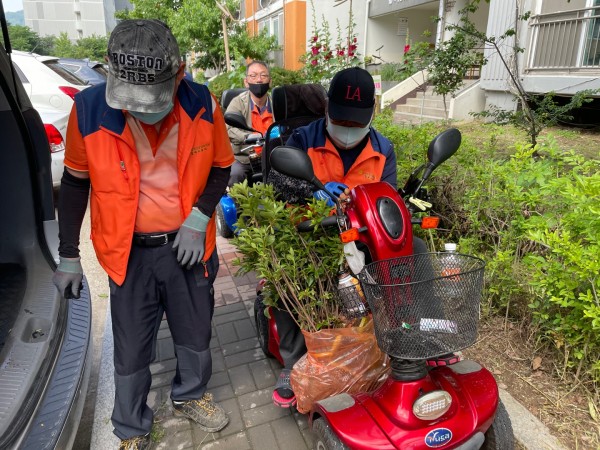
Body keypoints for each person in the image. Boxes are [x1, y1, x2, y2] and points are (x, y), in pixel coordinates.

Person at [51, 19, 234, 450]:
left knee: (195, 331)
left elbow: (221, 167)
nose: (138, 109)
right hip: (127, 253)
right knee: (131, 345)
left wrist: (199, 217)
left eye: (150, 99)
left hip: (187, 246)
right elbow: (76, 182)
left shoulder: (203, 104)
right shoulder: (88, 109)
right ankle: (131, 428)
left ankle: (190, 394)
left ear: (179, 72)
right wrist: (68, 254)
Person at [268, 66, 428, 408]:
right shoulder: (303, 138)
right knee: (284, 271)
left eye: (357, 122)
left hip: (362, 237)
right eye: (342, 120)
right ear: (328, 109)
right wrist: (313, 192)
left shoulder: (383, 148)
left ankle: (412, 336)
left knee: (414, 249)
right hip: (312, 235)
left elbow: (388, 195)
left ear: (372, 112)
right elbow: (277, 182)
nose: (348, 130)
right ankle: (293, 361)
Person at [225, 60, 274, 186]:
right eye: (253, 76)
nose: (259, 80)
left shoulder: (277, 104)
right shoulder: (238, 102)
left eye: (263, 75)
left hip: (272, 157)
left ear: (270, 81)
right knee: (234, 174)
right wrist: (247, 137)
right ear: (246, 82)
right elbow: (229, 129)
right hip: (244, 157)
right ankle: (238, 205)